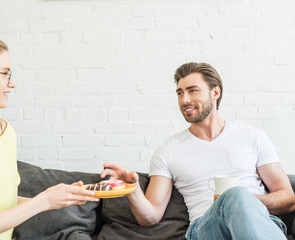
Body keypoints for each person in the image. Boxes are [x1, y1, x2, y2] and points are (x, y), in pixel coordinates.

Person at [101, 62, 295, 239]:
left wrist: (249, 201)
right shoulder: (168, 150)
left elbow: (288, 198)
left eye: (192, 90)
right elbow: (150, 217)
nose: (185, 99)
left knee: (237, 196)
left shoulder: (252, 136)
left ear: (215, 92)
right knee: (236, 196)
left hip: (260, 222)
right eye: (179, 93)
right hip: (206, 229)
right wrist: (131, 189)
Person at [0, 33, 98, 240]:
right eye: (5, 73)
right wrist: (45, 200)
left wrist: (61, 198)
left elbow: (5, 203)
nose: (11, 84)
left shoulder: (4, 133)